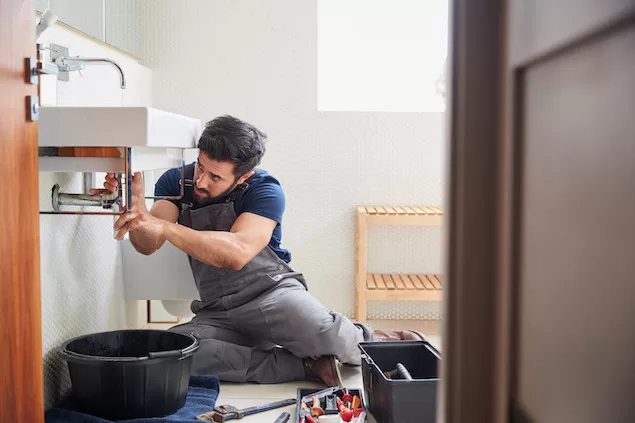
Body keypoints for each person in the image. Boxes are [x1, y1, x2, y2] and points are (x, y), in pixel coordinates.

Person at [95, 115, 426, 386]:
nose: (201, 182)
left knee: (330, 337)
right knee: (177, 355)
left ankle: (372, 338)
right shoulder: (175, 182)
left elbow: (237, 253)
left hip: (272, 295)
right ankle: (307, 368)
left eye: (215, 177)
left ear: (243, 177)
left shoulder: (265, 190)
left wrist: (166, 226)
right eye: (200, 167)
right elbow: (148, 245)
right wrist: (138, 214)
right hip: (217, 310)